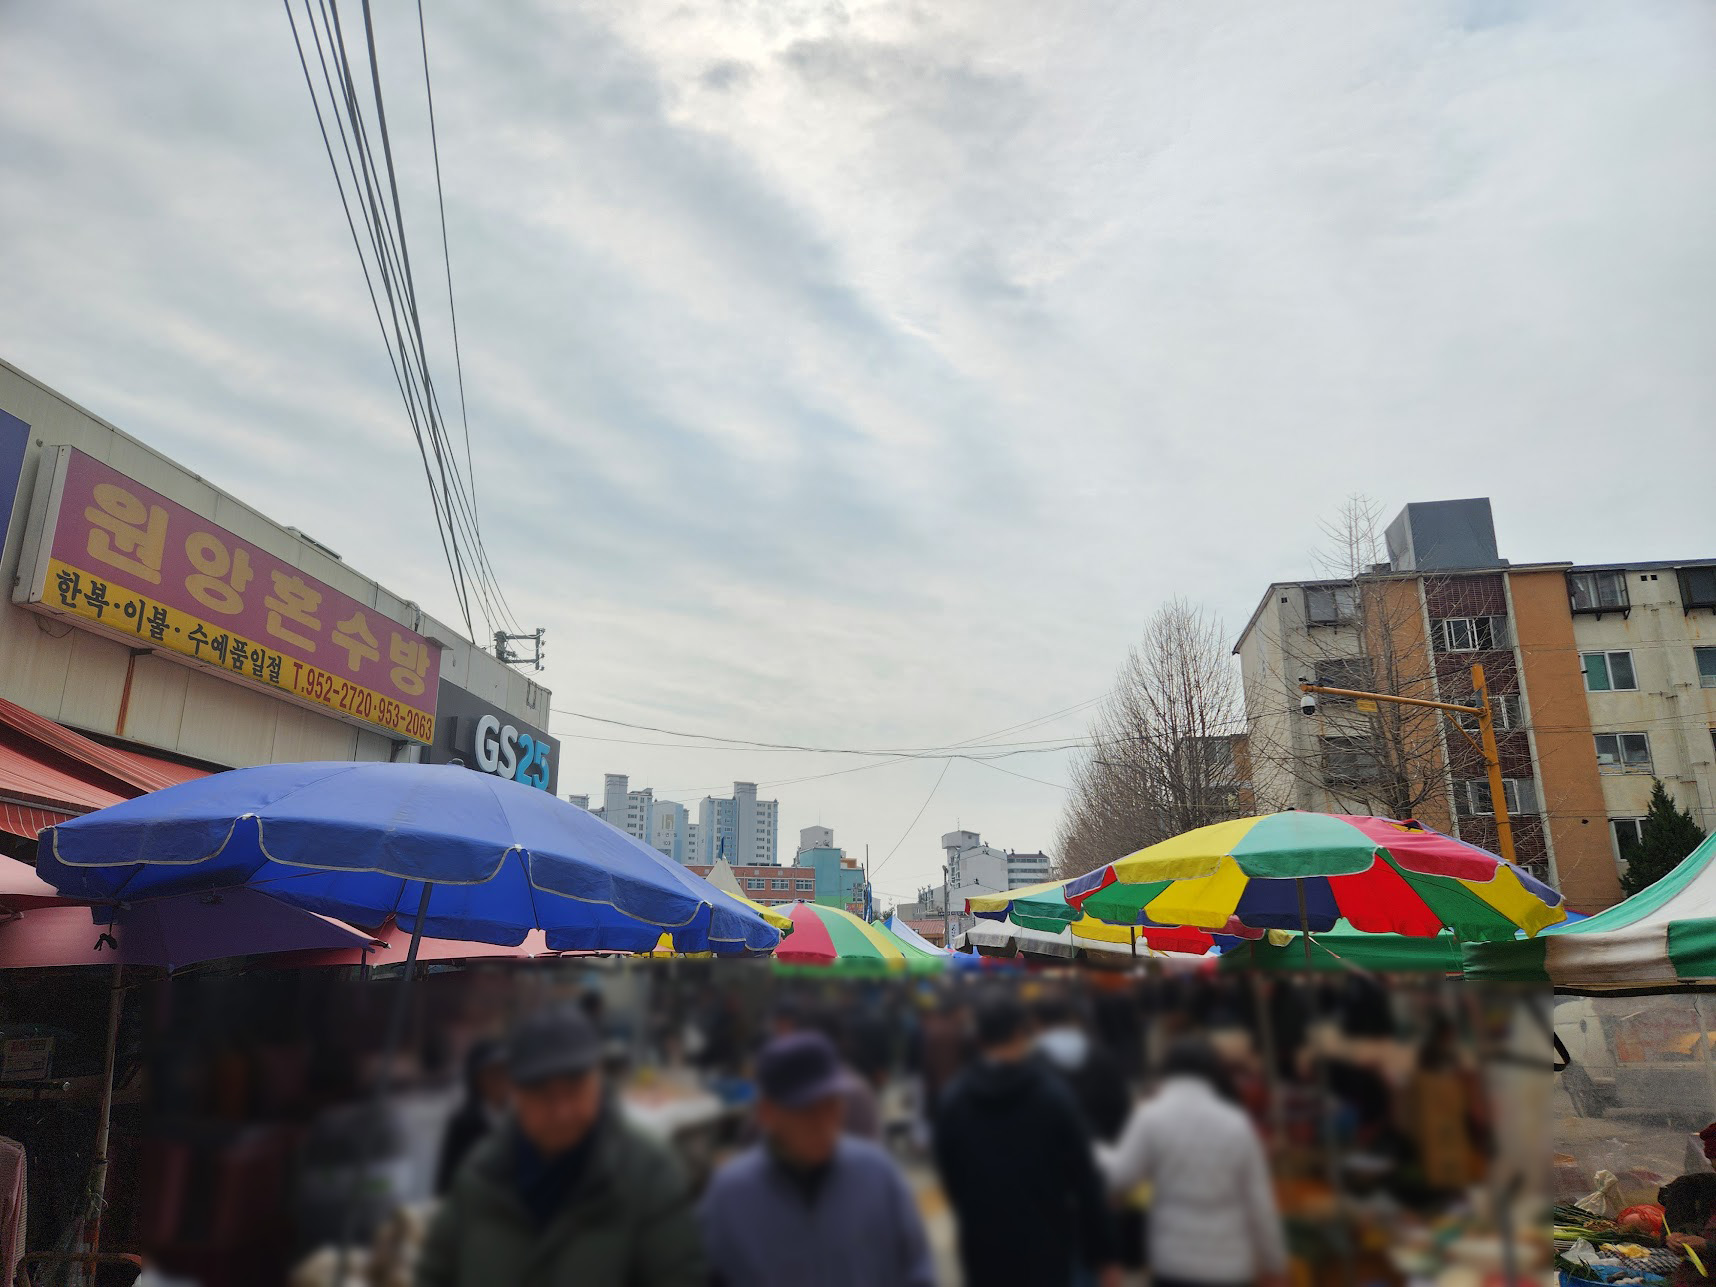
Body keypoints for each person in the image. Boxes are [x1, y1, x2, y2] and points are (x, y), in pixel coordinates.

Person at [417, 1004, 703, 1287]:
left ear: (598, 1079)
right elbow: (435, 1272)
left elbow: (679, 1274)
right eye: (542, 1094)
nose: (562, 1112)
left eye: (575, 1089)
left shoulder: (649, 1174)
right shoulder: (481, 1176)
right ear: (516, 1092)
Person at [700, 1031, 935, 1287]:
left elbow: (917, 1268)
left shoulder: (878, 1173)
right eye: (808, 1110)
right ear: (767, 1112)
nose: (824, 1123)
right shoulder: (730, 1196)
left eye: (832, 1105)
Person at [934, 991, 1119, 1287]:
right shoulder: (1053, 1096)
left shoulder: (954, 1100)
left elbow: (950, 1176)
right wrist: (1105, 1255)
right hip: (1046, 1247)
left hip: (983, 1247)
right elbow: (1085, 1179)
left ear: (978, 1039)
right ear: (1021, 1032)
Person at [1100, 1037, 1288, 1287]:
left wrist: (1090, 1148)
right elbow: (1259, 1203)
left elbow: (1121, 1176)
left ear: (1166, 1070)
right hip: (1230, 1266)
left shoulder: (1151, 1117)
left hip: (1173, 1261)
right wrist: (1275, 1264)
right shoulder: (1237, 1124)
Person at [434, 1040, 510, 1194]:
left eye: (504, 1071)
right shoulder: (463, 1124)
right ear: (477, 1079)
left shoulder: (522, 1119)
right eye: (492, 1073)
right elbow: (446, 1182)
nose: (500, 1080)